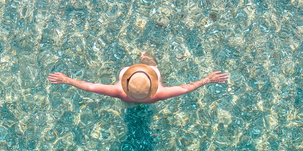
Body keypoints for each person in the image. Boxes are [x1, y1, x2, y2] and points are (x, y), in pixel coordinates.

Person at [48, 52, 229, 104]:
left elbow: (90, 86)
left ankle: (143, 54)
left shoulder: (119, 91)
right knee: (151, 61)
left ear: (126, 84)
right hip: (147, 101)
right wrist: (207, 79)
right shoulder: (159, 93)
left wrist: (68, 80)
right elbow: (185, 88)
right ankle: (146, 53)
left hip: (129, 101)